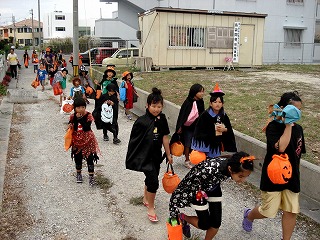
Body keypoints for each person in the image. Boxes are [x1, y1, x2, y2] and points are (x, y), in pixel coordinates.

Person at [242, 91, 305, 240]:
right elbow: (281, 148)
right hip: (273, 175)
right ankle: (249, 215)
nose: (298, 113)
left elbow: (298, 153)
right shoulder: (273, 127)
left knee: (291, 211)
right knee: (268, 211)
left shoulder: (299, 129)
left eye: (299, 110)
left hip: (292, 177)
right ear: (284, 109)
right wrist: (288, 124)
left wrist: (296, 173)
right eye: (294, 109)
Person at [169, 152, 255, 239]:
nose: (243, 180)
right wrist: (174, 204)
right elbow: (188, 184)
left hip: (213, 186)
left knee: (216, 223)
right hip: (196, 191)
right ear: (229, 169)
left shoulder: (232, 164)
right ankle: (183, 218)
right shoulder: (210, 170)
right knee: (204, 224)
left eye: (246, 176)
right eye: (240, 176)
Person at [126, 88, 173, 222]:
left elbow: (164, 137)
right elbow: (134, 141)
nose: (156, 109)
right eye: (153, 106)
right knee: (153, 181)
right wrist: (135, 156)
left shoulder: (162, 118)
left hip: (156, 156)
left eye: (159, 106)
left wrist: (168, 155)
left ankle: (146, 197)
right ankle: (151, 208)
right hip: (144, 156)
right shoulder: (141, 121)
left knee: (152, 176)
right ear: (147, 105)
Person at [191, 83, 237, 158]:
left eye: (220, 102)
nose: (217, 104)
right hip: (205, 144)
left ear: (222, 104)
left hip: (216, 144)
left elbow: (229, 129)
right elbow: (199, 130)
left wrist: (224, 129)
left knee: (214, 162)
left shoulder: (223, 115)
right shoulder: (205, 115)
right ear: (210, 104)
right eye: (215, 102)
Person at [67, 97, 100, 186]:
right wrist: (71, 124)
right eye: (78, 107)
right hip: (76, 141)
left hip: (88, 140)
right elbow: (72, 125)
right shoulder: (72, 116)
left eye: (83, 107)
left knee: (90, 158)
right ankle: (78, 174)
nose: (81, 109)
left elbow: (87, 128)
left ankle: (91, 177)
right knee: (77, 158)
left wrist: (80, 118)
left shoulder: (88, 115)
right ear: (74, 108)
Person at [175, 83, 205, 169]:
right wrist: (180, 126)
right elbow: (182, 115)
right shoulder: (188, 102)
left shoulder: (200, 101)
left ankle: (197, 158)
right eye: (200, 91)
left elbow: (202, 113)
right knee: (187, 143)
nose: (202, 93)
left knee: (197, 143)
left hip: (197, 127)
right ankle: (187, 160)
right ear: (194, 92)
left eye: (203, 91)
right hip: (188, 127)